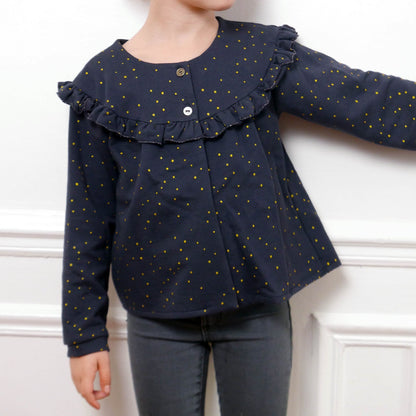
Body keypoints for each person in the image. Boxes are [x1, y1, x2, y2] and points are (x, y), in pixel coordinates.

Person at [57, 0, 416, 414]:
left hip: (258, 304)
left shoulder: (261, 53)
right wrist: (84, 335)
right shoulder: (101, 82)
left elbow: (365, 99)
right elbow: (88, 218)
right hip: (156, 314)